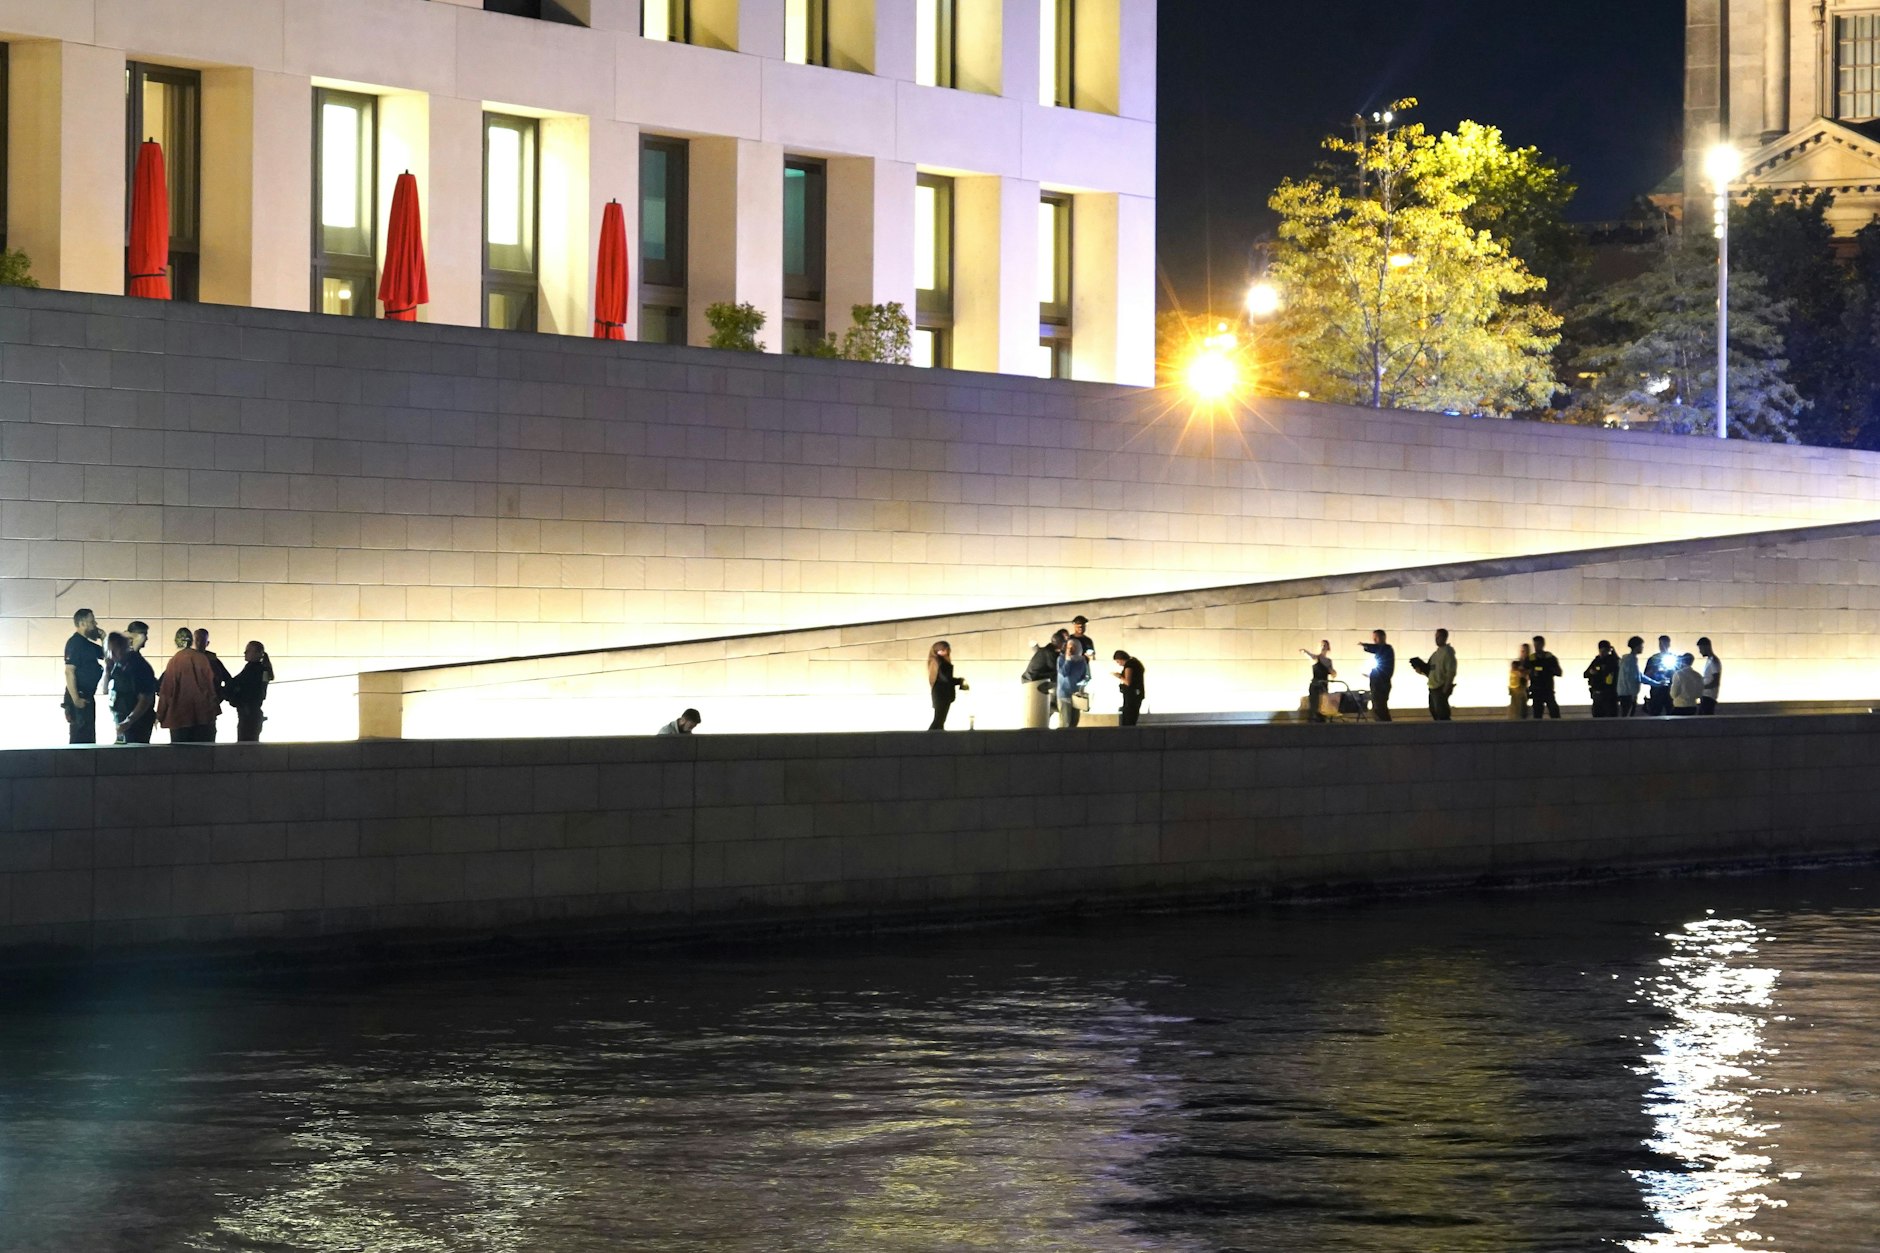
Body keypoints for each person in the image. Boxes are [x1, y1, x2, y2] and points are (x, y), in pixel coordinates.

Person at [156, 627, 222, 743]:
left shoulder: (174, 661)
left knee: (182, 753)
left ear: (176, 641)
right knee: (204, 752)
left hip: (180, 718)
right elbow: (212, 685)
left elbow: (167, 691)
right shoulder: (203, 658)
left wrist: (160, 715)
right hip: (204, 716)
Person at [62, 607, 106, 745]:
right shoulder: (75, 644)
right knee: (80, 738)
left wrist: (103, 637)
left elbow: (107, 654)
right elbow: (69, 671)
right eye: (92, 622)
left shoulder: (87, 645)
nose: (95, 625)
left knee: (88, 736)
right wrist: (76, 699)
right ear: (82, 623)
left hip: (87, 695)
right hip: (79, 696)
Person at [107, 625, 158, 745]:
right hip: (122, 721)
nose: (112, 655)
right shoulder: (118, 666)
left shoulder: (138, 666)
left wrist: (128, 721)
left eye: (114, 650)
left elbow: (145, 698)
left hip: (137, 724)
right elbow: (107, 689)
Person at [224, 641, 275, 742]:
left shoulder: (253, 671)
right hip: (250, 712)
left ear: (258, 653)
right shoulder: (260, 670)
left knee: (245, 743)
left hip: (248, 713)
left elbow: (242, 687)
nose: (245, 653)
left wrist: (230, 694)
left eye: (249, 650)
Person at [1020, 631, 1065, 729]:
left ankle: (1053, 706)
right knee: (1058, 681)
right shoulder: (1050, 652)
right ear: (1060, 643)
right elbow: (1056, 670)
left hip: (1033, 678)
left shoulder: (1046, 650)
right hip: (1034, 680)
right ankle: (1055, 705)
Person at [1412, 628, 1457, 721]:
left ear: (1444, 638)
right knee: (1435, 712)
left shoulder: (1447, 653)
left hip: (1440, 687)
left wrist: (1445, 689)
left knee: (1442, 714)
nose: (1436, 639)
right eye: (1436, 637)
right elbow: (1431, 671)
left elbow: (1451, 672)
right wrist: (1420, 670)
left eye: (1438, 637)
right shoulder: (1435, 654)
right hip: (1433, 687)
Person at [927, 640, 967, 730]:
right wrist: (959, 681)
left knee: (940, 719)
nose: (945, 651)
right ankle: (931, 736)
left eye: (946, 649)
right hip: (941, 693)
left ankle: (936, 734)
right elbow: (945, 679)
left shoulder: (941, 661)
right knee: (939, 719)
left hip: (943, 692)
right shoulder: (937, 661)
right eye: (942, 649)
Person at [1359, 630, 1394, 722]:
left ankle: (1385, 726)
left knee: (1379, 708)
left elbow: (1377, 648)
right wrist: (1371, 675)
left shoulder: (1386, 648)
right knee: (1378, 707)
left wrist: (1365, 645)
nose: (1374, 640)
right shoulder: (1384, 651)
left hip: (1381, 685)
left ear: (1383, 637)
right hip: (1378, 684)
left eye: (1376, 637)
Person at [1055, 638, 1090, 729]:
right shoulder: (1061, 659)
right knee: (1065, 722)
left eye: (1073, 648)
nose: (1070, 650)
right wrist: (1068, 660)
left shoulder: (1081, 661)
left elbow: (1085, 676)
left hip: (1076, 694)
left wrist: (1083, 685)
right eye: (1068, 647)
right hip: (1064, 694)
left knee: (1074, 721)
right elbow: (1064, 673)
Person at [1528, 635, 1562, 720]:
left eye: (1538, 645)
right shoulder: (1531, 658)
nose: (1536, 647)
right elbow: (1525, 670)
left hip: (1547, 688)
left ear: (1542, 644)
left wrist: (1546, 670)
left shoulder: (1550, 658)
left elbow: (1559, 672)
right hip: (1536, 690)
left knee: (1554, 712)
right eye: (1535, 645)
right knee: (1537, 714)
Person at [1585, 640, 1620, 718]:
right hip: (1597, 692)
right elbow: (1585, 674)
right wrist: (1591, 672)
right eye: (1601, 651)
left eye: (1605, 651)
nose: (1602, 653)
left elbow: (1617, 667)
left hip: (1610, 693)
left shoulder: (1612, 660)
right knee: (1597, 714)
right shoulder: (1597, 660)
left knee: (1610, 714)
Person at [1301, 640, 1335, 722]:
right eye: (1322, 645)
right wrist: (1304, 652)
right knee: (1314, 704)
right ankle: (1313, 719)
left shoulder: (1328, 661)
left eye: (1325, 645)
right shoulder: (1316, 658)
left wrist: (1331, 671)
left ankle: (1321, 719)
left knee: (1323, 705)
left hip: (1324, 685)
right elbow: (1310, 656)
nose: (1323, 647)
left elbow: (1333, 674)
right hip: (1316, 684)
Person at [1112, 649, 1146, 726]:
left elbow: (1128, 681)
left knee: (1128, 718)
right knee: (1132, 716)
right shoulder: (1135, 663)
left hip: (1131, 695)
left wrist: (1119, 676)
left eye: (1118, 661)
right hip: (1137, 694)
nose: (1119, 664)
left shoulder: (1129, 665)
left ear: (1121, 659)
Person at [1642, 635, 1675, 716]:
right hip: (1656, 691)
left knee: (1671, 714)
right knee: (1655, 714)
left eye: (1664, 644)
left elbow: (1679, 675)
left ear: (1669, 644)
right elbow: (1645, 677)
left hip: (1670, 691)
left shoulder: (1674, 658)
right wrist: (1654, 669)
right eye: (1660, 644)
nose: (1662, 646)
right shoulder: (1653, 659)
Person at [1617, 636, 1645, 717]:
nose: (1642, 648)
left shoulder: (1627, 659)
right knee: (1628, 716)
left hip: (1625, 693)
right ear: (1636, 646)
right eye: (1641, 646)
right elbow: (1633, 678)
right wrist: (1633, 694)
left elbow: (1638, 676)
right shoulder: (1631, 660)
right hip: (1628, 694)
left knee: (1626, 715)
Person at [1697, 637, 1722, 715]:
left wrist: (1702, 687)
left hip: (1709, 696)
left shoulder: (1713, 661)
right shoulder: (1710, 660)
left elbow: (1716, 681)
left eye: (1701, 648)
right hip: (1706, 696)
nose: (1700, 651)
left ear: (1706, 647)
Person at [1508, 643, 1532, 719]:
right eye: (1522, 651)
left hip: (1522, 688)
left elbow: (1529, 673)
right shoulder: (1518, 663)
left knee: (1521, 708)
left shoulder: (1529, 663)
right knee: (1516, 708)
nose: (1523, 653)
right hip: (1516, 688)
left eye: (1525, 651)